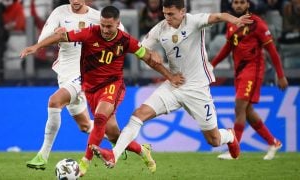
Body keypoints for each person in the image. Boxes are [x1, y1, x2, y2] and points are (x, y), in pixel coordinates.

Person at [20, 5, 185, 176]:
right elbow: (61, 36)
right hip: (91, 88)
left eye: (109, 26)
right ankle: (142, 150)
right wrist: (36, 47)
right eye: (103, 25)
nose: (105, 30)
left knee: (99, 118)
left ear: (117, 24)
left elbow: (148, 59)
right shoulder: (90, 33)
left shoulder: (125, 40)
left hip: (113, 85)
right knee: (112, 134)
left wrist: (169, 75)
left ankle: (84, 163)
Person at [90, 0, 254, 169]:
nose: (166, 17)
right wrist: (151, 52)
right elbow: (141, 49)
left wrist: (234, 19)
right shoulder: (160, 29)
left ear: (182, 12)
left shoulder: (194, 21)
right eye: (164, 13)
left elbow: (218, 16)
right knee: (139, 114)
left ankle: (229, 136)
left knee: (214, 140)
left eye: (171, 14)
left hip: (197, 88)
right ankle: (114, 155)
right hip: (174, 84)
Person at [24, 0, 126, 170]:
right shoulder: (59, 12)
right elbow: (44, 39)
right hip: (65, 73)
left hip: (86, 73)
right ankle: (124, 143)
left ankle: (42, 155)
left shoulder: (97, 17)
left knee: (54, 101)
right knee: (85, 125)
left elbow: (121, 37)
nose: (76, 1)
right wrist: (57, 35)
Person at [211, 0, 288, 160]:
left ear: (248, 5)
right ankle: (273, 142)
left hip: (253, 71)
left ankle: (235, 151)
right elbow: (228, 48)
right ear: (232, 5)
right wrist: (212, 65)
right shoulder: (231, 23)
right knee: (247, 111)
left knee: (239, 108)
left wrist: (280, 75)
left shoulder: (257, 24)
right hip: (239, 72)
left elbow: (272, 51)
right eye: (236, 2)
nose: (238, 5)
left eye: (242, 2)